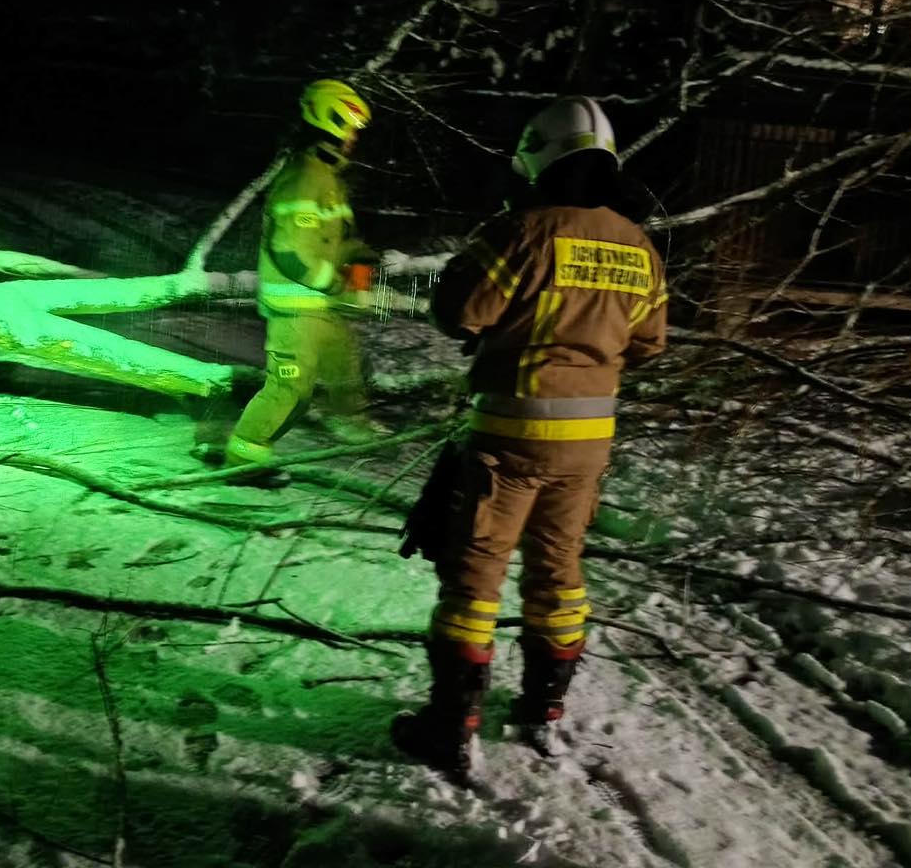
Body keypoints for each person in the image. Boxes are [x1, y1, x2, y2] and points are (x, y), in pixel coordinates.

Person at [392, 95, 668, 779]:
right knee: (560, 573)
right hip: (588, 445)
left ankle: (450, 726)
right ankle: (543, 707)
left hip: (507, 436)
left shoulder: (519, 230)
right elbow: (650, 343)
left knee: (476, 577)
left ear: (538, 158)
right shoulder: (640, 246)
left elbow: (459, 311)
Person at [226, 79, 379, 472]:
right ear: (331, 124)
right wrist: (335, 282)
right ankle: (244, 459)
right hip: (296, 307)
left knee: (344, 368)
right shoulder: (305, 177)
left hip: (319, 306)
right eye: (350, 130)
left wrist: (360, 272)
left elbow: (346, 241)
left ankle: (357, 431)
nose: (353, 140)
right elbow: (292, 250)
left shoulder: (328, 182)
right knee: (289, 388)